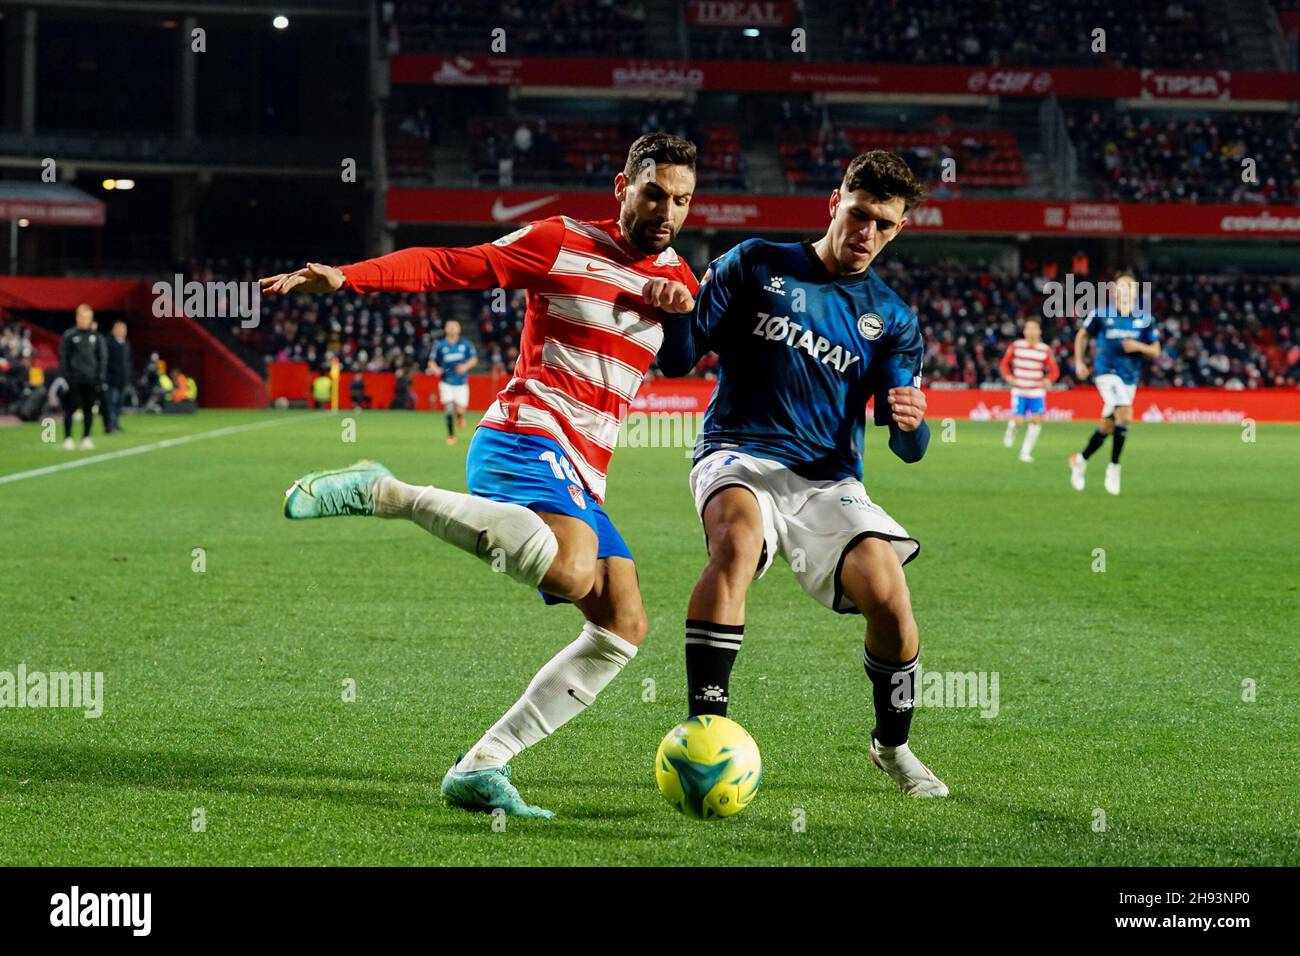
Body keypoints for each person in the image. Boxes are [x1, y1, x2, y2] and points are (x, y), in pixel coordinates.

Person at [260, 132, 700, 818]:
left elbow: (684, 356)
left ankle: (482, 765)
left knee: (624, 622)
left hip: (585, 470)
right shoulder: (561, 240)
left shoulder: (680, 278)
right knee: (572, 570)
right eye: (654, 193)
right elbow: (451, 264)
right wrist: (350, 275)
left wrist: (687, 314)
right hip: (525, 434)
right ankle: (390, 492)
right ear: (623, 188)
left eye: (681, 199)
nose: (667, 209)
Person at [653, 150, 948, 798]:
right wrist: (674, 304)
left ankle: (892, 745)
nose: (868, 233)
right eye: (860, 214)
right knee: (735, 541)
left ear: (898, 230)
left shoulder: (891, 318)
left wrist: (911, 422)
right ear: (834, 204)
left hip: (826, 479)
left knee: (889, 591)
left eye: (885, 225)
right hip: (737, 450)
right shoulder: (756, 262)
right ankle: (708, 727)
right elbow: (678, 359)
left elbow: (910, 449)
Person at [1069, 272, 1160, 496]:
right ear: (1114, 291)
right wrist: (1080, 362)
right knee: (1126, 416)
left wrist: (1138, 347)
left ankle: (1080, 459)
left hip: (1129, 377)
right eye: (1121, 288)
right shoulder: (1101, 314)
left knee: (1109, 426)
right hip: (1106, 373)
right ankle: (1114, 467)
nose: (1125, 292)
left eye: (1129, 288)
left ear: (1136, 293)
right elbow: (1081, 336)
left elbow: (1155, 350)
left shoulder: (1145, 319)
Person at [999, 319, 1059, 463]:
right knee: (1019, 421)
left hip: (1036, 391)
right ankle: (1012, 429)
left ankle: (1025, 452)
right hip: (1019, 390)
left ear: (1039, 331)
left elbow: (1054, 370)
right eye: (1029, 328)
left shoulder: (1044, 349)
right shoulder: (1016, 346)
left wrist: (1049, 380)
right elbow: (1004, 364)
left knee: (1036, 420)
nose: (1031, 332)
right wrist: (1008, 377)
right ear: (1024, 331)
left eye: (1034, 328)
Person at [58, 304, 106, 450]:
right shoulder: (70, 335)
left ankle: (86, 438)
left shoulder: (96, 337)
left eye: (88, 317)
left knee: (88, 409)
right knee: (70, 409)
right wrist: (67, 375)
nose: (85, 320)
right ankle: (68, 438)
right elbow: (64, 356)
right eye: (82, 317)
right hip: (74, 379)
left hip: (91, 379)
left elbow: (102, 357)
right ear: (77, 317)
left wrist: (100, 376)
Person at [428, 320, 476, 444]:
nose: (452, 329)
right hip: (446, 381)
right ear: (446, 329)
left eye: (455, 327)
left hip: (461, 382)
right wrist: (436, 369)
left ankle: (460, 417)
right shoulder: (440, 345)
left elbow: (474, 359)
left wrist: (465, 367)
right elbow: (431, 362)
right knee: (448, 407)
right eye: (450, 326)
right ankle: (451, 436)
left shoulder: (465, 344)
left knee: (460, 410)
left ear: (459, 329)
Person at [104, 320, 132, 433]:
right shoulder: (109, 343)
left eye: (124, 329)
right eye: (119, 328)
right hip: (112, 380)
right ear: (114, 330)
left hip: (123, 380)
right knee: (111, 403)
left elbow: (128, 361)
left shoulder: (126, 344)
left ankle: (116, 424)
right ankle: (110, 426)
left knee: (119, 404)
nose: (122, 331)